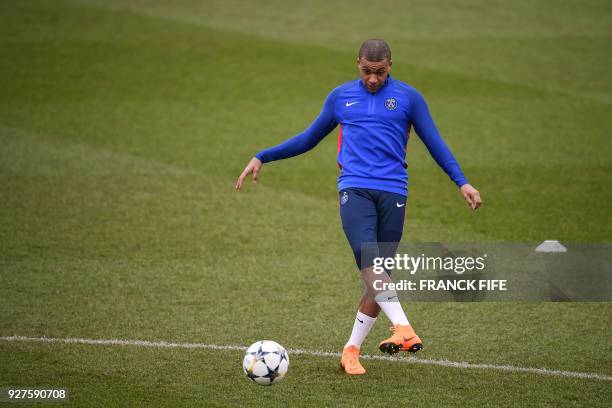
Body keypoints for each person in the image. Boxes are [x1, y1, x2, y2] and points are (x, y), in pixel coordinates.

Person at [236, 39, 482, 375]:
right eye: (367, 71)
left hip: (394, 191)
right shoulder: (340, 97)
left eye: (380, 72)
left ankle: (351, 350)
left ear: (390, 66)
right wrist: (263, 155)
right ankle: (404, 328)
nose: (372, 79)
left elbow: (435, 143)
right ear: (358, 64)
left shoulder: (409, 99)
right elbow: (308, 139)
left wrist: (461, 181)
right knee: (368, 255)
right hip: (354, 188)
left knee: (378, 275)